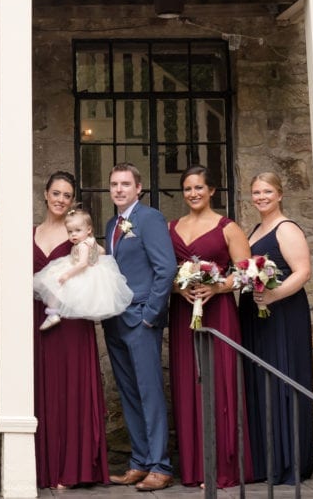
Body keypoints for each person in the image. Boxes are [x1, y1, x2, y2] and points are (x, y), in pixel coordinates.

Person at [167, 165, 253, 487]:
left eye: (199, 188)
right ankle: (194, 467)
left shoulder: (228, 227)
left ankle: (222, 468)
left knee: (219, 383)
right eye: (188, 188)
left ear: (212, 190)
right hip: (183, 314)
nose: (193, 194)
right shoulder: (171, 227)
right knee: (189, 384)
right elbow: (164, 272)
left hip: (219, 315)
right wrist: (179, 287)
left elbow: (246, 273)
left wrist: (217, 287)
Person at [102, 162, 177, 491]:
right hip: (115, 320)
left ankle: (161, 465)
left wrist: (150, 314)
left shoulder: (149, 218)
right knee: (129, 394)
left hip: (141, 319)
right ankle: (139, 461)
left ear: (139, 188)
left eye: (125, 184)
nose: (119, 189)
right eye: (114, 184)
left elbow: (166, 268)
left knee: (149, 393)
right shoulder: (111, 224)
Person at [32, 171, 109, 489]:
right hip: (39, 316)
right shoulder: (30, 232)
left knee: (72, 386)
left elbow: (97, 259)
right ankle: (42, 466)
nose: (60, 199)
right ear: (46, 194)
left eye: (66, 195)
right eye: (56, 193)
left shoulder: (79, 233)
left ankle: (73, 468)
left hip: (72, 319)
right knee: (43, 388)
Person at [240, 172, 313, 485]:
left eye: (267, 191)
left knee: (283, 380)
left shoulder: (288, 228)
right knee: (260, 381)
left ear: (280, 194)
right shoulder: (256, 229)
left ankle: (289, 461)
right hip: (257, 315)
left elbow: (303, 272)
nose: (261, 197)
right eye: (256, 192)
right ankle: (265, 459)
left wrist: (272, 295)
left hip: (282, 313)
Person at [33, 207, 132, 330]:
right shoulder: (91, 241)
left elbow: (82, 264)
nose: (73, 234)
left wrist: (67, 274)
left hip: (80, 270)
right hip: (86, 268)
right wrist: (95, 260)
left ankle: (53, 313)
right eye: (70, 231)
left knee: (55, 283)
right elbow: (101, 251)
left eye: (78, 230)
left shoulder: (82, 246)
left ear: (88, 229)